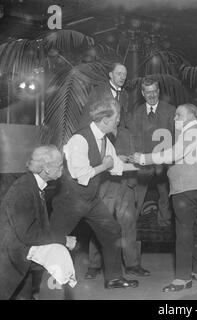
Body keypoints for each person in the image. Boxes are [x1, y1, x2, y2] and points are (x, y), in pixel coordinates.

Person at [50, 98, 140, 289]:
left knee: (112, 230)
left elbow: (117, 166)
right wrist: (104, 165)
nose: (118, 121)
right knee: (53, 238)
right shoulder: (79, 139)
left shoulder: (105, 140)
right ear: (106, 120)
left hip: (90, 199)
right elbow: (81, 175)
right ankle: (43, 285)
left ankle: (114, 278)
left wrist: (147, 163)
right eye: (117, 118)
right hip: (71, 199)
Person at [132, 103, 197, 292]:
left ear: (190, 116)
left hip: (186, 190)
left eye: (178, 115)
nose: (175, 119)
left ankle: (182, 279)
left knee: (183, 234)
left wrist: (144, 158)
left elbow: (174, 154)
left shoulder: (192, 132)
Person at [0, 145, 76, 299]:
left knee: (58, 253)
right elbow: (28, 235)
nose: (63, 169)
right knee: (59, 254)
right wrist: (63, 240)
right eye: (60, 165)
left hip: (21, 244)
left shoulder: (34, 184)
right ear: (47, 168)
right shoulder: (23, 190)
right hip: (11, 253)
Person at [85, 127, 150, 279]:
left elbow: (136, 157)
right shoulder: (96, 134)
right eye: (114, 116)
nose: (117, 119)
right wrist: (115, 160)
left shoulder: (127, 133)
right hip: (104, 186)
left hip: (125, 184)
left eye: (118, 115)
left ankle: (132, 265)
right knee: (99, 226)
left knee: (128, 226)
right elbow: (90, 162)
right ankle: (94, 265)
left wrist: (133, 160)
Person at [126, 77, 175, 227]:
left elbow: (175, 138)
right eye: (148, 92)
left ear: (158, 91)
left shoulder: (170, 110)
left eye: (154, 91)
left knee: (165, 195)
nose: (152, 95)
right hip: (143, 164)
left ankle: (164, 224)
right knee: (137, 195)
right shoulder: (137, 112)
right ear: (142, 93)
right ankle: (130, 226)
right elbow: (133, 137)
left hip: (164, 163)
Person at [78, 62, 129, 130]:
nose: (122, 77)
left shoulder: (125, 95)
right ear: (111, 75)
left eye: (124, 74)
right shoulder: (98, 91)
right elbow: (87, 116)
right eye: (119, 74)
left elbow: (123, 120)